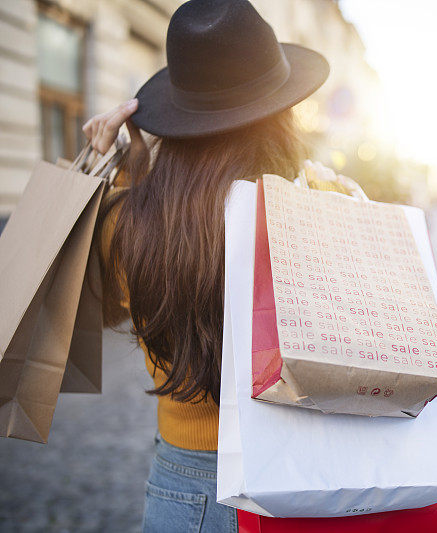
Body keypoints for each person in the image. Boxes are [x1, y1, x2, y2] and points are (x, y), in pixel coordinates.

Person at [82, 1, 331, 531]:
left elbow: (88, 306)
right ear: (281, 113)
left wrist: (108, 175)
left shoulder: (127, 223)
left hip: (184, 488)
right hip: (305, 480)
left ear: (176, 116)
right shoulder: (318, 206)